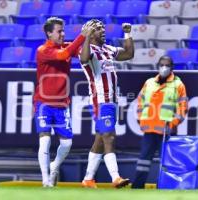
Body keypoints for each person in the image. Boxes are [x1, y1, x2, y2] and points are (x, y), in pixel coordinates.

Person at [33, 17, 94, 187]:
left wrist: (88, 38)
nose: (62, 34)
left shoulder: (66, 46)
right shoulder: (43, 50)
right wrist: (82, 36)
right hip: (43, 102)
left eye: (63, 31)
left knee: (67, 144)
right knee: (44, 139)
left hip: (62, 103)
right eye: (59, 31)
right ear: (49, 33)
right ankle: (45, 179)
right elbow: (64, 55)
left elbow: (83, 56)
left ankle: (54, 166)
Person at [79, 19, 134, 189]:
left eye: (103, 28)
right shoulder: (88, 49)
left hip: (111, 101)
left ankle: (88, 179)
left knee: (100, 140)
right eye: (98, 29)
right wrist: (86, 37)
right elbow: (84, 58)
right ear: (90, 33)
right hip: (100, 100)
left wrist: (127, 34)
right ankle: (116, 177)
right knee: (109, 137)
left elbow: (128, 54)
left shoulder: (107, 49)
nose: (103, 30)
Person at [131, 56, 188, 189]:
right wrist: (141, 118)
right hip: (148, 129)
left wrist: (173, 123)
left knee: (167, 162)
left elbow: (183, 108)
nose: (164, 67)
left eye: (167, 65)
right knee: (143, 161)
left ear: (172, 67)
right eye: (161, 65)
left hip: (165, 131)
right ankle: (137, 186)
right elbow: (140, 101)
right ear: (158, 66)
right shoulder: (149, 82)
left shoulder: (178, 85)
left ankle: (167, 186)